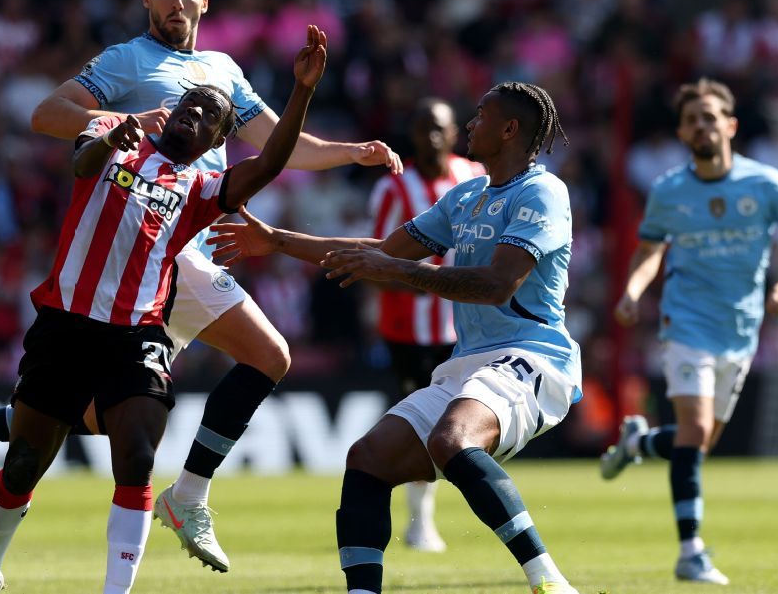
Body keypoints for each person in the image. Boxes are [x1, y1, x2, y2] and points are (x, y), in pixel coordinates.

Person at [0, 0, 401, 573]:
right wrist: (127, 118)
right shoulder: (127, 59)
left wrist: (350, 151)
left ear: (204, 0)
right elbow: (47, 115)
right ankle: (189, 495)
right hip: (158, 244)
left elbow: (278, 144)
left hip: (178, 248)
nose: (175, 1)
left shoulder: (223, 69)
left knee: (106, 415)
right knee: (268, 355)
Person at [0, 26, 327, 594]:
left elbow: (270, 163)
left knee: (136, 455)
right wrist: (111, 139)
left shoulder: (203, 189)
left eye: (210, 116)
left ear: (214, 143)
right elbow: (83, 166)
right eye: (191, 104)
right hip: (66, 324)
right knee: (26, 462)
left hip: (136, 334)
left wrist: (301, 92)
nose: (196, 114)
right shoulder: (112, 129)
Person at [208, 82, 582, 594]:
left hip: (533, 358)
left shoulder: (542, 192)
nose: (470, 125)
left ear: (510, 129)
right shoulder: (468, 195)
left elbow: (498, 285)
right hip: (470, 363)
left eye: (480, 116)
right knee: (367, 458)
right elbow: (382, 252)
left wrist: (400, 271)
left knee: (452, 439)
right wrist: (276, 240)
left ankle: (547, 580)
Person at [602, 77, 778, 585]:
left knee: (696, 441)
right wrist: (634, 290)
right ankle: (690, 552)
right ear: (682, 132)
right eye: (691, 119)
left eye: (710, 117)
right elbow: (649, 250)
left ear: (730, 125)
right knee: (696, 431)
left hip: (740, 328)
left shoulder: (765, 184)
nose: (701, 125)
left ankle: (637, 446)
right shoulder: (668, 190)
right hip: (685, 321)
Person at [366, 97, 484, 553]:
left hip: (464, 330)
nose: (431, 136)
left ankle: (431, 517)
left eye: (439, 128)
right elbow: (379, 255)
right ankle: (420, 520)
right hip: (408, 330)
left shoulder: (473, 177)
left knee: (459, 419)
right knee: (418, 421)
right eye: (422, 128)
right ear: (411, 135)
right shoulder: (393, 189)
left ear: (454, 133)